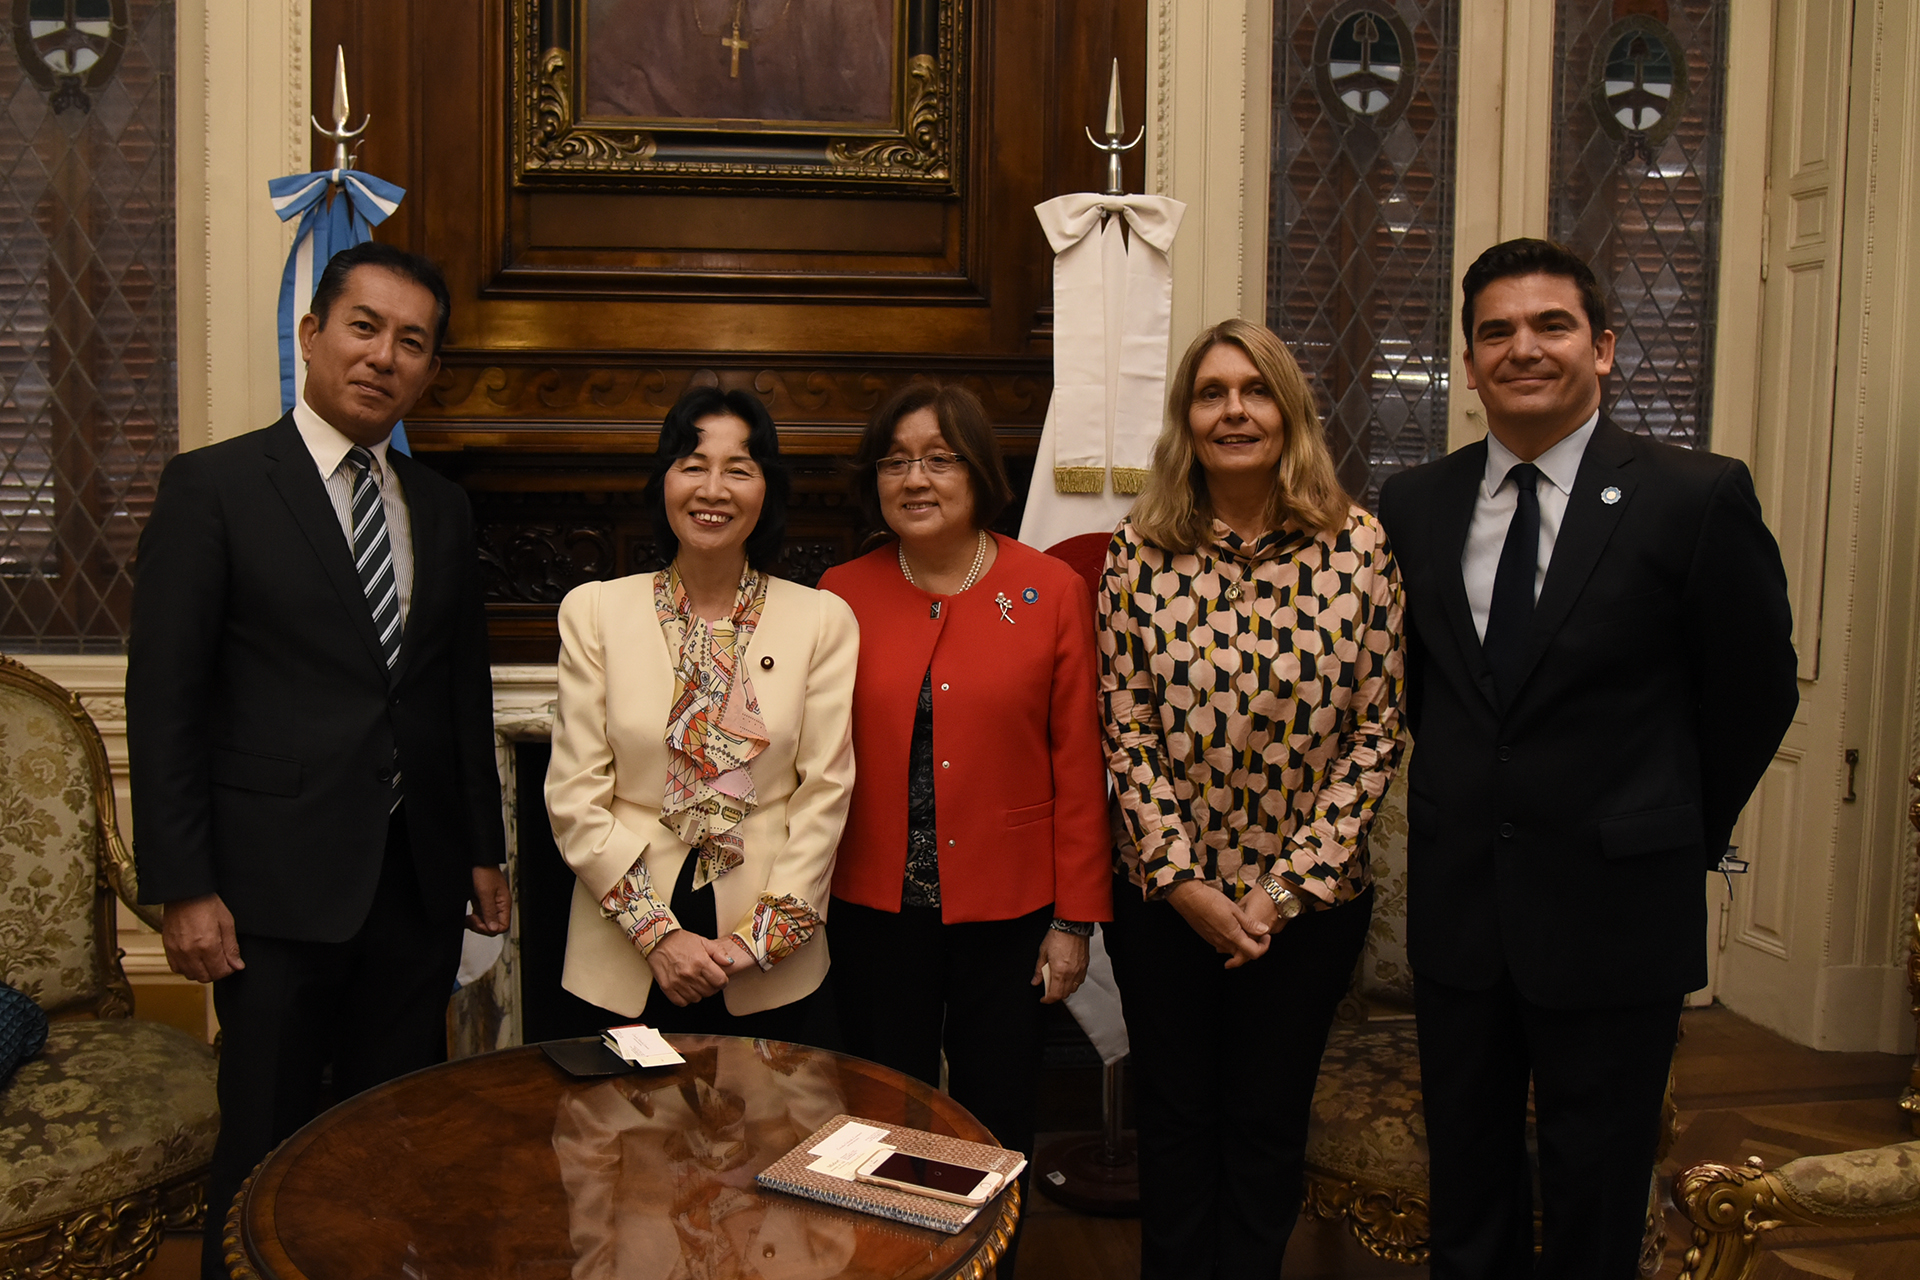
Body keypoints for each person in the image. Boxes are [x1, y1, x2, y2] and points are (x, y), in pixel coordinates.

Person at [1375, 238, 1798, 1279]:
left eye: (1552, 325)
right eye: (1496, 331)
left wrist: (1673, 828)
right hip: (1463, 909)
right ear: (1468, 365)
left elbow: (1754, 690)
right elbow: (1431, 691)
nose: (1525, 348)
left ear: (1603, 347)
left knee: (1597, 1198)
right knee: (1466, 1190)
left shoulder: (1693, 497)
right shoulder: (1414, 502)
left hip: (1619, 913)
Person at [126, 241, 511, 1277]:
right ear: (312, 335)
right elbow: (164, 699)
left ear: (430, 370)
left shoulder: (439, 506)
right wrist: (184, 885)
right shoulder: (213, 487)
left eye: (413, 342)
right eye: (364, 326)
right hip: (269, 892)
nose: (384, 356)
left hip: (414, 883)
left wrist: (483, 849)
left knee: (393, 1145)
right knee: (263, 1145)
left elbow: (454, 691)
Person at [1099, 317, 1404, 1279]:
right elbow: (1127, 731)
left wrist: (1281, 890)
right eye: (1211, 392)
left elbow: (1376, 735)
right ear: (1185, 420)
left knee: (1269, 1125)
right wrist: (1185, 883)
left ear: (1289, 411)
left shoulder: (1359, 550)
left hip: (1304, 914)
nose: (1234, 410)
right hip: (1164, 907)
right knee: (1176, 1124)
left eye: (1255, 390)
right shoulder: (1137, 553)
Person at [817, 383, 1110, 1272]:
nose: (915, 478)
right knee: (875, 1119)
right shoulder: (841, 592)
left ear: (980, 473)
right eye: (896, 460)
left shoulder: (1050, 589)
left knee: (992, 1117)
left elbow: (1079, 764)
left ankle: (987, 1267)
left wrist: (1074, 921)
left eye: (939, 458)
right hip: (873, 909)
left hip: (1010, 910)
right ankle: (889, 1264)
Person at [546, 387, 857, 1040]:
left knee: (780, 1135)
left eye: (738, 469)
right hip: (622, 942)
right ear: (664, 481)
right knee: (620, 1134)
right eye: (693, 464)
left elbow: (825, 793)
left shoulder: (822, 620)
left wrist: (757, 943)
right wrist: (658, 935)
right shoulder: (595, 612)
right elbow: (575, 794)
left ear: (765, 489)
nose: (713, 489)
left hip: (768, 952)